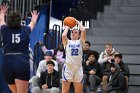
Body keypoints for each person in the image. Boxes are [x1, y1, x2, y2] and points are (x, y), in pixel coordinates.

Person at [0, 4, 39, 93]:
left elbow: (1, 20)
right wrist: (34, 17)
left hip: (7, 62)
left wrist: (2, 12)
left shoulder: (4, 29)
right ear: (20, 21)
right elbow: (33, 23)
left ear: (8, 21)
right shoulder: (25, 30)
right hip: (21, 61)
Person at [61, 18, 86, 93]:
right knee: (65, 91)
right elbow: (63, 35)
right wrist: (67, 27)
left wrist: (78, 22)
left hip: (78, 68)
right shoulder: (67, 42)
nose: (73, 33)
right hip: (68, 67)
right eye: (72, 32)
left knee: (78, 91)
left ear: (79, 35)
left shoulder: (81, 42)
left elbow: (83, 31)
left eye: (75, 32)